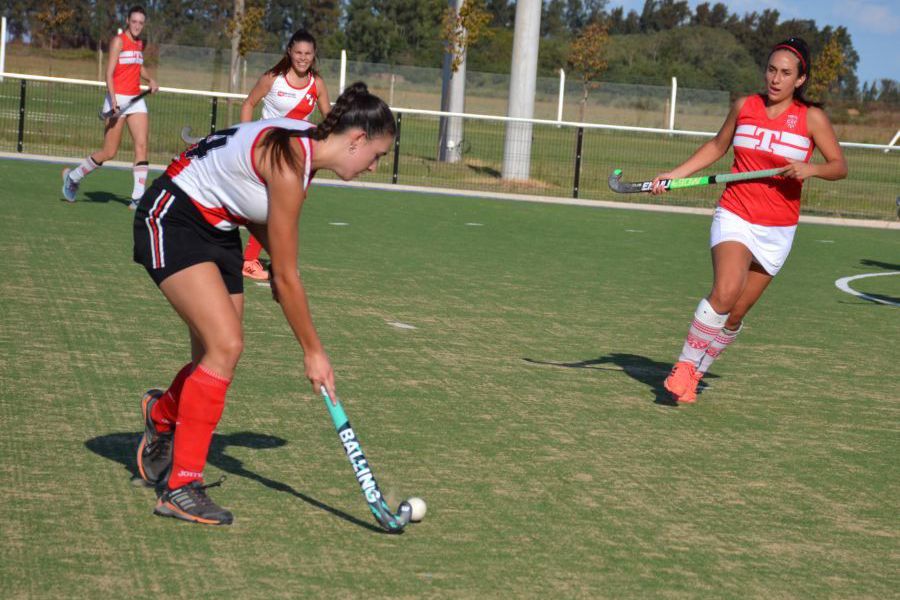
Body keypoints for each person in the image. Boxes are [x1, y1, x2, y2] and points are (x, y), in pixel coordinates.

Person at [132, 82, 395, 525]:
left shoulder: (304, 149)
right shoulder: (292, 165)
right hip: (172, 215)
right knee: (226, 345)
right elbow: (287, 278)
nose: (374, 166)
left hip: (219, 227)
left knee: (215, 357)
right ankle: (180, 487)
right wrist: (313, 351)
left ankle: (161, 416)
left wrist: (284, 282)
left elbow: (279, 266)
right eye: (377, 156)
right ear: (356, 140)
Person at [652, 37, 847, 404]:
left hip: (778, 228)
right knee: (725, 291)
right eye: (771, 70)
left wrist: (811, 168)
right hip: (736, 213)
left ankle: (696, 374)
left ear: (800, 79)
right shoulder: (745, 106)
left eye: (785, 73)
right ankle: (683, 365)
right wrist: (674, 176)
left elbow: (840, 167)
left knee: (735, 314)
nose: (775, 79)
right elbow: (716, 146)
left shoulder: (811, 119)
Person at [237, 29, 332, 281]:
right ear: (289, 52)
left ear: (314, 56)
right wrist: (245, 137)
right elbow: (248, 104)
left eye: (308, 54)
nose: (302, 58)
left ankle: (259, 259)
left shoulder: (317, 84)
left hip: (297, 156)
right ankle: (250, 260)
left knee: (283, 209)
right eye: (298, 52)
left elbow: (329, 119)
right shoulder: (272, 78)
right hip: (268, 150)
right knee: (273, 207)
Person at [62, 6, 159, 208]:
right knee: (109, 152)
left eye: (141, 23)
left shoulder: (139, 43)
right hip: (118, 99)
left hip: (136, 100)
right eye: (134, 22)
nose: (137, 26)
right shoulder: (118, 41)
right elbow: (109, 73)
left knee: (142, 146)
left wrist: (150, 79)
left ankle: (137, 197)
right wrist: (113, 100)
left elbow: (138, 66)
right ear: (128, 21)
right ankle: (74, 176)